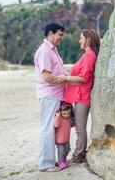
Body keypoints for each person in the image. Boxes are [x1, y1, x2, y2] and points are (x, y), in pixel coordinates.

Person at [54, 29, 100, 164]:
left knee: (80, 128)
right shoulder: (86, 55)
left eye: (81, 38)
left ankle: (78, 156)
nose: (79, 40)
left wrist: (66, 78)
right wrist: (66, 74)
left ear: (88, 40)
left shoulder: (89, 56)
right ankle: (78, 154)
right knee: (78, 127)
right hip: (78, 96)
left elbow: (83, 78)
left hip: (82, 96)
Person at [34, 23, 65, 172]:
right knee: (47, 129)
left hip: (55, 96)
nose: (62, 38)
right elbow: (47, 77)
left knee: (53, 129)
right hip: (49, 95)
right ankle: (46, 164)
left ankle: (51, 161)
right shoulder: (45, 51)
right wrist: (67, 79)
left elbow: (56, 73)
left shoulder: (53, 50)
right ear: (50, 33)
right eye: (60, 34)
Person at [54, 102, 75, 170]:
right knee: (61, 151)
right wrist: (57, 116)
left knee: (68, 149)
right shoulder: (59, 118)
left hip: (66, 139)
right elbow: (56, 125)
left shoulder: (69, 119)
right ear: (60, 112)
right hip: (59, 140)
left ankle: (63, 158)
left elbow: (71, 125)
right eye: (64, 114)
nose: (66, 115)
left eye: (68, 113)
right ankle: (60, 163)